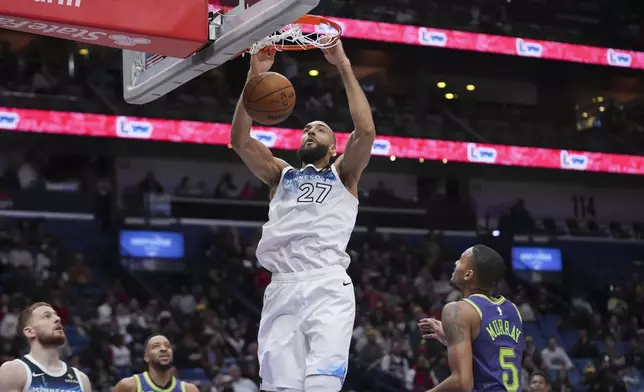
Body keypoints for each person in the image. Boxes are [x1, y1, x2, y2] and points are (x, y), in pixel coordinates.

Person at [230, 41, 376, 392]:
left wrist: (342, 65)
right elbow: (239, 140)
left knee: (321, 384)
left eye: (320, 129)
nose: (310, 130)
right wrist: (254, 78)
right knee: (279, 388)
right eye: (306, 128)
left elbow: (366, 131)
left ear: (334, 146)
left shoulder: (343, 174)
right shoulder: (280, 174)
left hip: (326, 283)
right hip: (281, 285)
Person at [418, 245, 524, 392]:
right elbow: (491, 356)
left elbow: (462, 383)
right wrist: (452, 338)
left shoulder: (457, 310)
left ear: (468, 274)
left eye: (461, 260)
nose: (455, 263)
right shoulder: (512, 310)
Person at [0, 302, 93, 392]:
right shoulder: (14, 371)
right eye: (47, 316)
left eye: (56, 315)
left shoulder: (81, 380)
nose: (58, 318)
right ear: (30, 332)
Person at [112, 334, 199, 392]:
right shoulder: (128, 386)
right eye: (156, 346)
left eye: (167, 346)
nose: (164, 349)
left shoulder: (189, 389)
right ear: (146, 357)